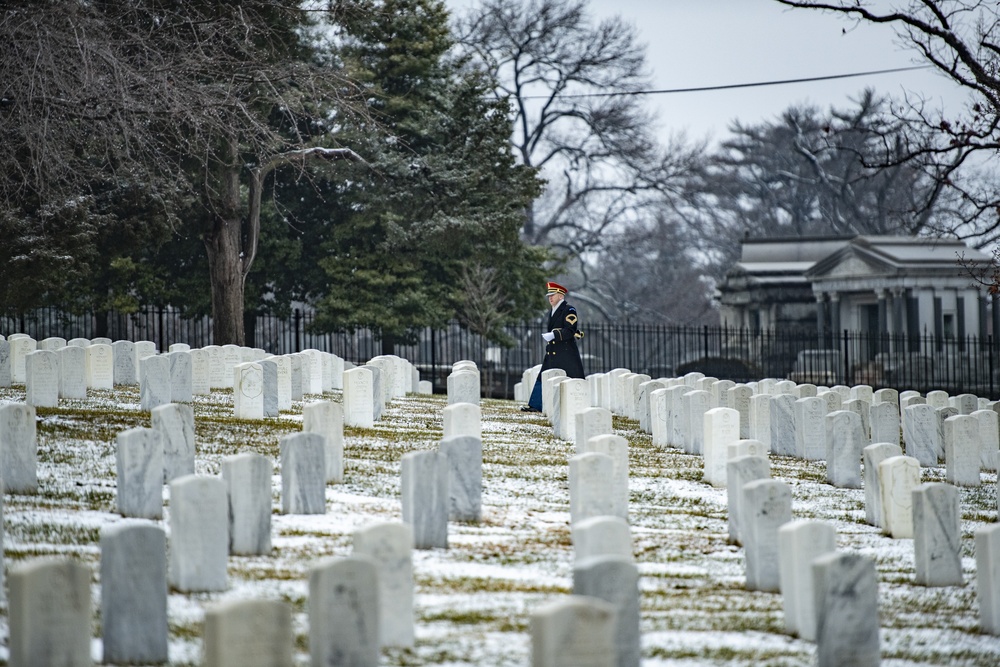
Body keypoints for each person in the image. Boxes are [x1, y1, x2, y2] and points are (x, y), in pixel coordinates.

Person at [521, 281, 585, 412]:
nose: (550, 298)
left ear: (561, 296)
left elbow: (570, 330)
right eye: (549, 295)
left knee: (575, 379)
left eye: (553, 295)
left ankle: (582, 404)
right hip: (553, 352)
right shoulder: (553, 310)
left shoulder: (569, 309)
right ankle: (535, 405)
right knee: (542, 376)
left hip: (566, 353)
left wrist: (554, 335)